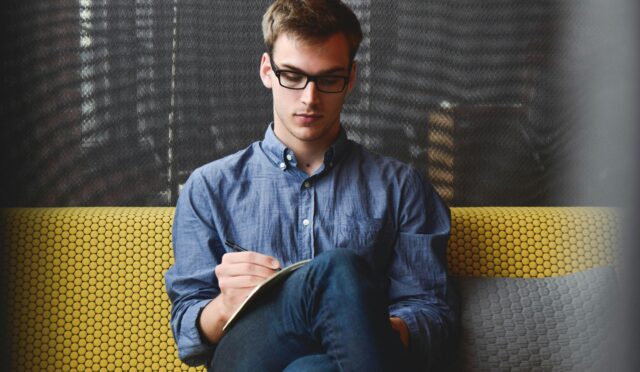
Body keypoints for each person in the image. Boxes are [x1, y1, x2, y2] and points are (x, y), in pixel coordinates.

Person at [165, 0, 457, 370]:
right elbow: (188, 336)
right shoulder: (209, 188)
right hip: (249, 358)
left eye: (329, 79)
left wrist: (358, 325)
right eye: (293, 76)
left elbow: (433, 316)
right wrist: (225, 305)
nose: (309, 98)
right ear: (267, 71)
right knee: (338, 271)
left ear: (350, 79)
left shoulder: (403, 188)